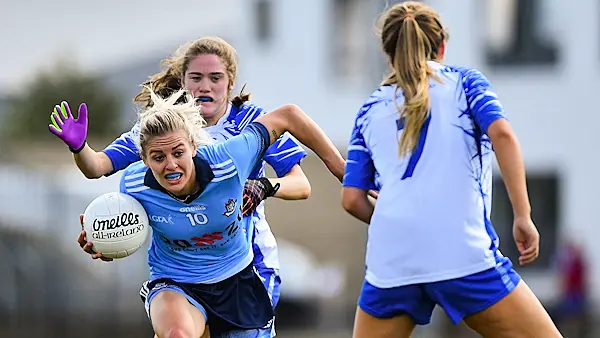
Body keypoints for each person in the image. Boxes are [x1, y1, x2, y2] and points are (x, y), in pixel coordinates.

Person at [48, 37, 315, 331]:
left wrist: (264, 186)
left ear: (230, 82)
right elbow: (99, 166)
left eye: (216, 78)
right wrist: (107, 230)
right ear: (182, 81)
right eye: (196, 77)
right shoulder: (155, 130)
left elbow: (301, 184)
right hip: (181, 271)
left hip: (248, 263)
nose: (205, 86)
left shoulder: (251, 124)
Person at [340, 2, 562, 338]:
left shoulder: (369, 109)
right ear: (442, 47)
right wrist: (522, 215)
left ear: (388, 54)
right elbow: (502, 134)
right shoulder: (465, 82)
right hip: (461, 252)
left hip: (393, 260)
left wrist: (398, 217)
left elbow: (352, 199)